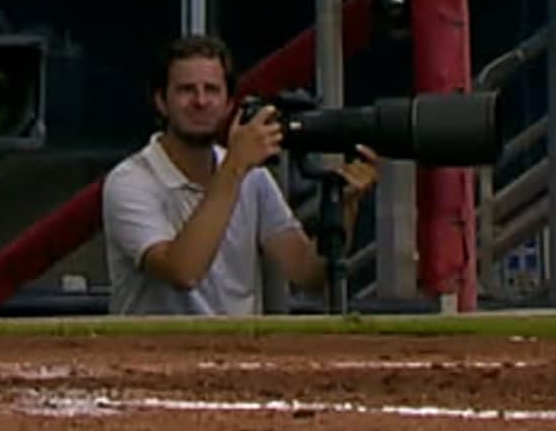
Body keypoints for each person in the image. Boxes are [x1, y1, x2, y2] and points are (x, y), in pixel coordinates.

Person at [104, 35, 377, 316]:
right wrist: (235, 166)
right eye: (186, 90)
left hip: (236, 352)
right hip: (155, 355)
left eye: (211, 90)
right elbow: (183, 272)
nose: (200, 101)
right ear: (161, 102)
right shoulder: (130, 181)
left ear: (227, 103)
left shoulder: (251, 175)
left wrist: (346, 204)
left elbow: (306, 273)